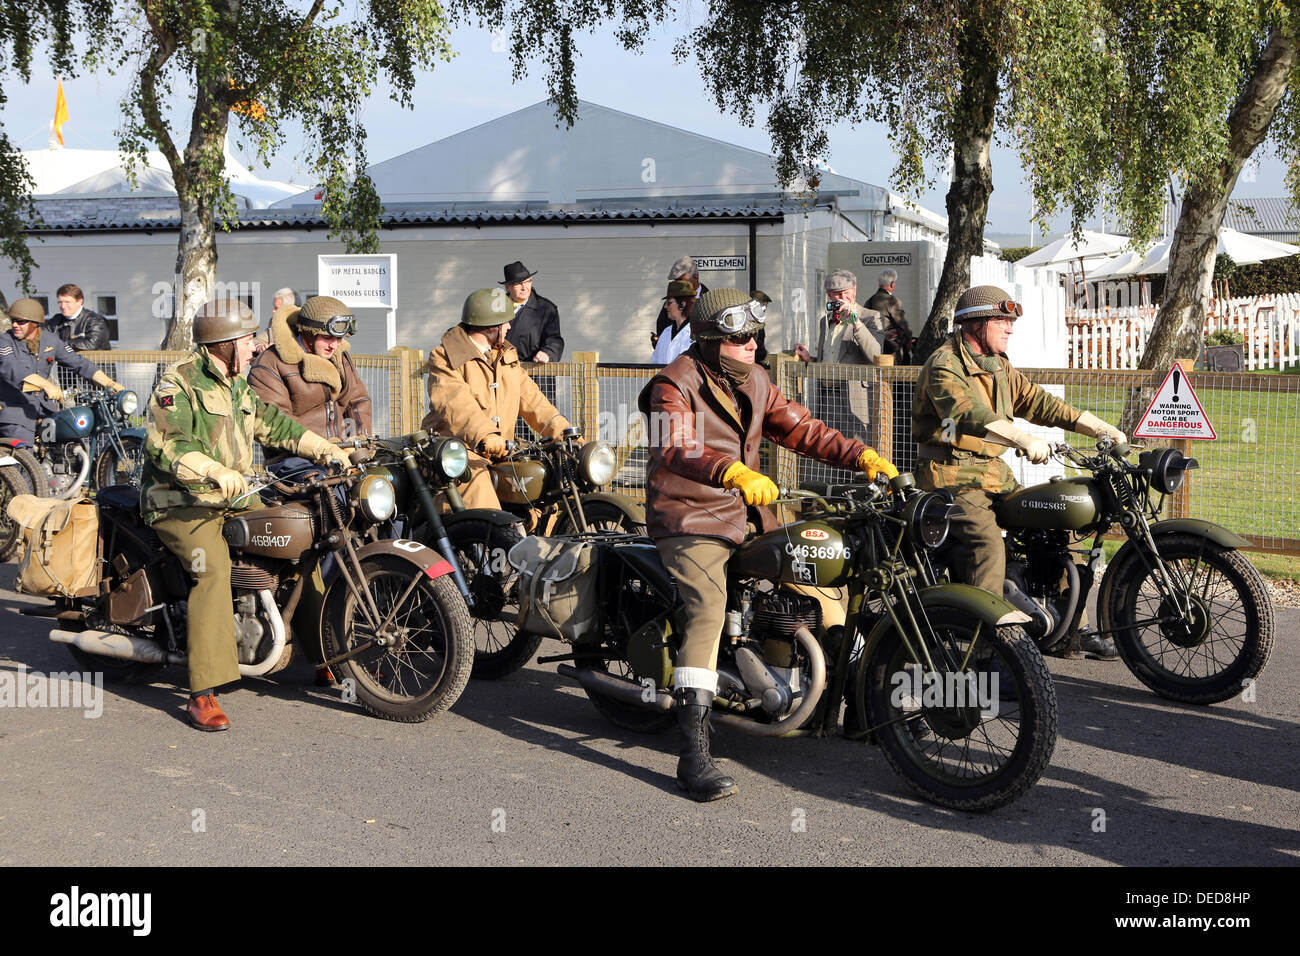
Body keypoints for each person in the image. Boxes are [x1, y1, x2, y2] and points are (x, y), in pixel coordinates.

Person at [638, 288, 898, 802]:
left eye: (754, 335)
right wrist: (728, 469)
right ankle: (692, 754)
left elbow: (803, 429)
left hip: (747, 513)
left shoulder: (755, 381)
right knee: (709, 607)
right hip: (690, 515)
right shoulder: (673, 383)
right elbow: (675, 445)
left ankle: (833, 705)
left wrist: (863, 455)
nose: (751, 344)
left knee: (824, 582)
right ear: (712, 342)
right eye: (738, 338)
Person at [142, 298, 353, 732]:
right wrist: (212, 470)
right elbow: (166, 444)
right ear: (221, 343)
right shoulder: (178, 383)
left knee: (299, 543)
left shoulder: (237, 384)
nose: (255, 346)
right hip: (179, 500)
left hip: (234, 495)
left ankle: (326, 654)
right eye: (246, 339)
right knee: (213, 569)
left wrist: (326, 449)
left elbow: (277, 425)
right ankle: (202, 691)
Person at [912, 284, 1125, 660]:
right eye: (1001, 320)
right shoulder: (944, 364)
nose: (1009, 328)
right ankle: (988, 650)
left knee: (1060, 522)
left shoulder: (999, 364)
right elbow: (967, 414)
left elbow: (1038, 401)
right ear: (974, 324)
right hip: (951, 477)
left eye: (1010, 321)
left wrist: (1097, 427)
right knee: (987, 544)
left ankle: (1070, 629)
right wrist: (1021, 438)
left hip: (995, 474)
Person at [422, 288, 573, 511]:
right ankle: (488, 541)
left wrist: (565, 433)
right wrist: (486, 435)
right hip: (457, 455)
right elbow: (455, 403)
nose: (510, 327)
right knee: (482, 495)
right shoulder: (445, 357)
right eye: (505, 323)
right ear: (491, 326)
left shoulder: (506, 355)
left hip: (502, 452)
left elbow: (533, 401)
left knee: (542, 496)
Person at [247, 294, 373, 473]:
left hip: (343, 452)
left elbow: (357, 400)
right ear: (307, 332)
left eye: (339, 339)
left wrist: (356, 443)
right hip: (294, 459)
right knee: (331, 497)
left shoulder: (340, 357)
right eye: (327, 338)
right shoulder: (270, 363)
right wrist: (323, 449)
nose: (335, 346)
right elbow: (276, 421)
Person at [0, 297, 125, 443]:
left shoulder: (50, 340)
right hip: (14, 411)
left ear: (35, 323)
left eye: (21, 322)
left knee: (67, 441)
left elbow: (79, 363)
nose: (15, 325)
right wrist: (46, 385)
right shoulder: (4, 341)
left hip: (43, 409)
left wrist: (110, 384)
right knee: (23, 452)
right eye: (13, 320)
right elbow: (13, 368)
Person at [499, 261, 564, 364]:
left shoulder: (546, 309)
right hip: (502, 370)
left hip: (533, 372)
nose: (524, 288)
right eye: (519, 284)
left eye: (527, 282)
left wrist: (547, 353)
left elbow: (554, 339)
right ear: (508, 287)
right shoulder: (496, 307)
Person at [652, 255, 709, 350]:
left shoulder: (711, 302)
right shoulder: (670, 303)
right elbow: (662, 329)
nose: (677, 284)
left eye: (680, 280)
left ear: (695, 277)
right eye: (675, 281)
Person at [865, 268, 915, 364]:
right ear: (892, 284)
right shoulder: (891, 300)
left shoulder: (869, 301)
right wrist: (909, 340)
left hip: (874, 348)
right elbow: (903, 324)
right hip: (891, 349)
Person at [47, 284, 111, 352]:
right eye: (60, 302)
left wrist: (60, 345)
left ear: (80, 301)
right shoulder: (55, 320)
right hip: (64, 362)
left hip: (92, 362)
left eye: (67, 302)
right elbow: (43, 340)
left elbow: (91, 344)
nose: (63, 306)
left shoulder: (96, 320)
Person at [649, 279, 696, 364]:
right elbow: (655, 362)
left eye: (669, 302)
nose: (665, 307)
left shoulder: (696, 334)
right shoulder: (666, 332)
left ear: (682, 305)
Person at [254, 287, 297, 355]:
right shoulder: (274, 323)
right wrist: (259, 347)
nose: (273, 311)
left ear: (288, 309)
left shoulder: (300, 327)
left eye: (277, 308)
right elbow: (255, 342)